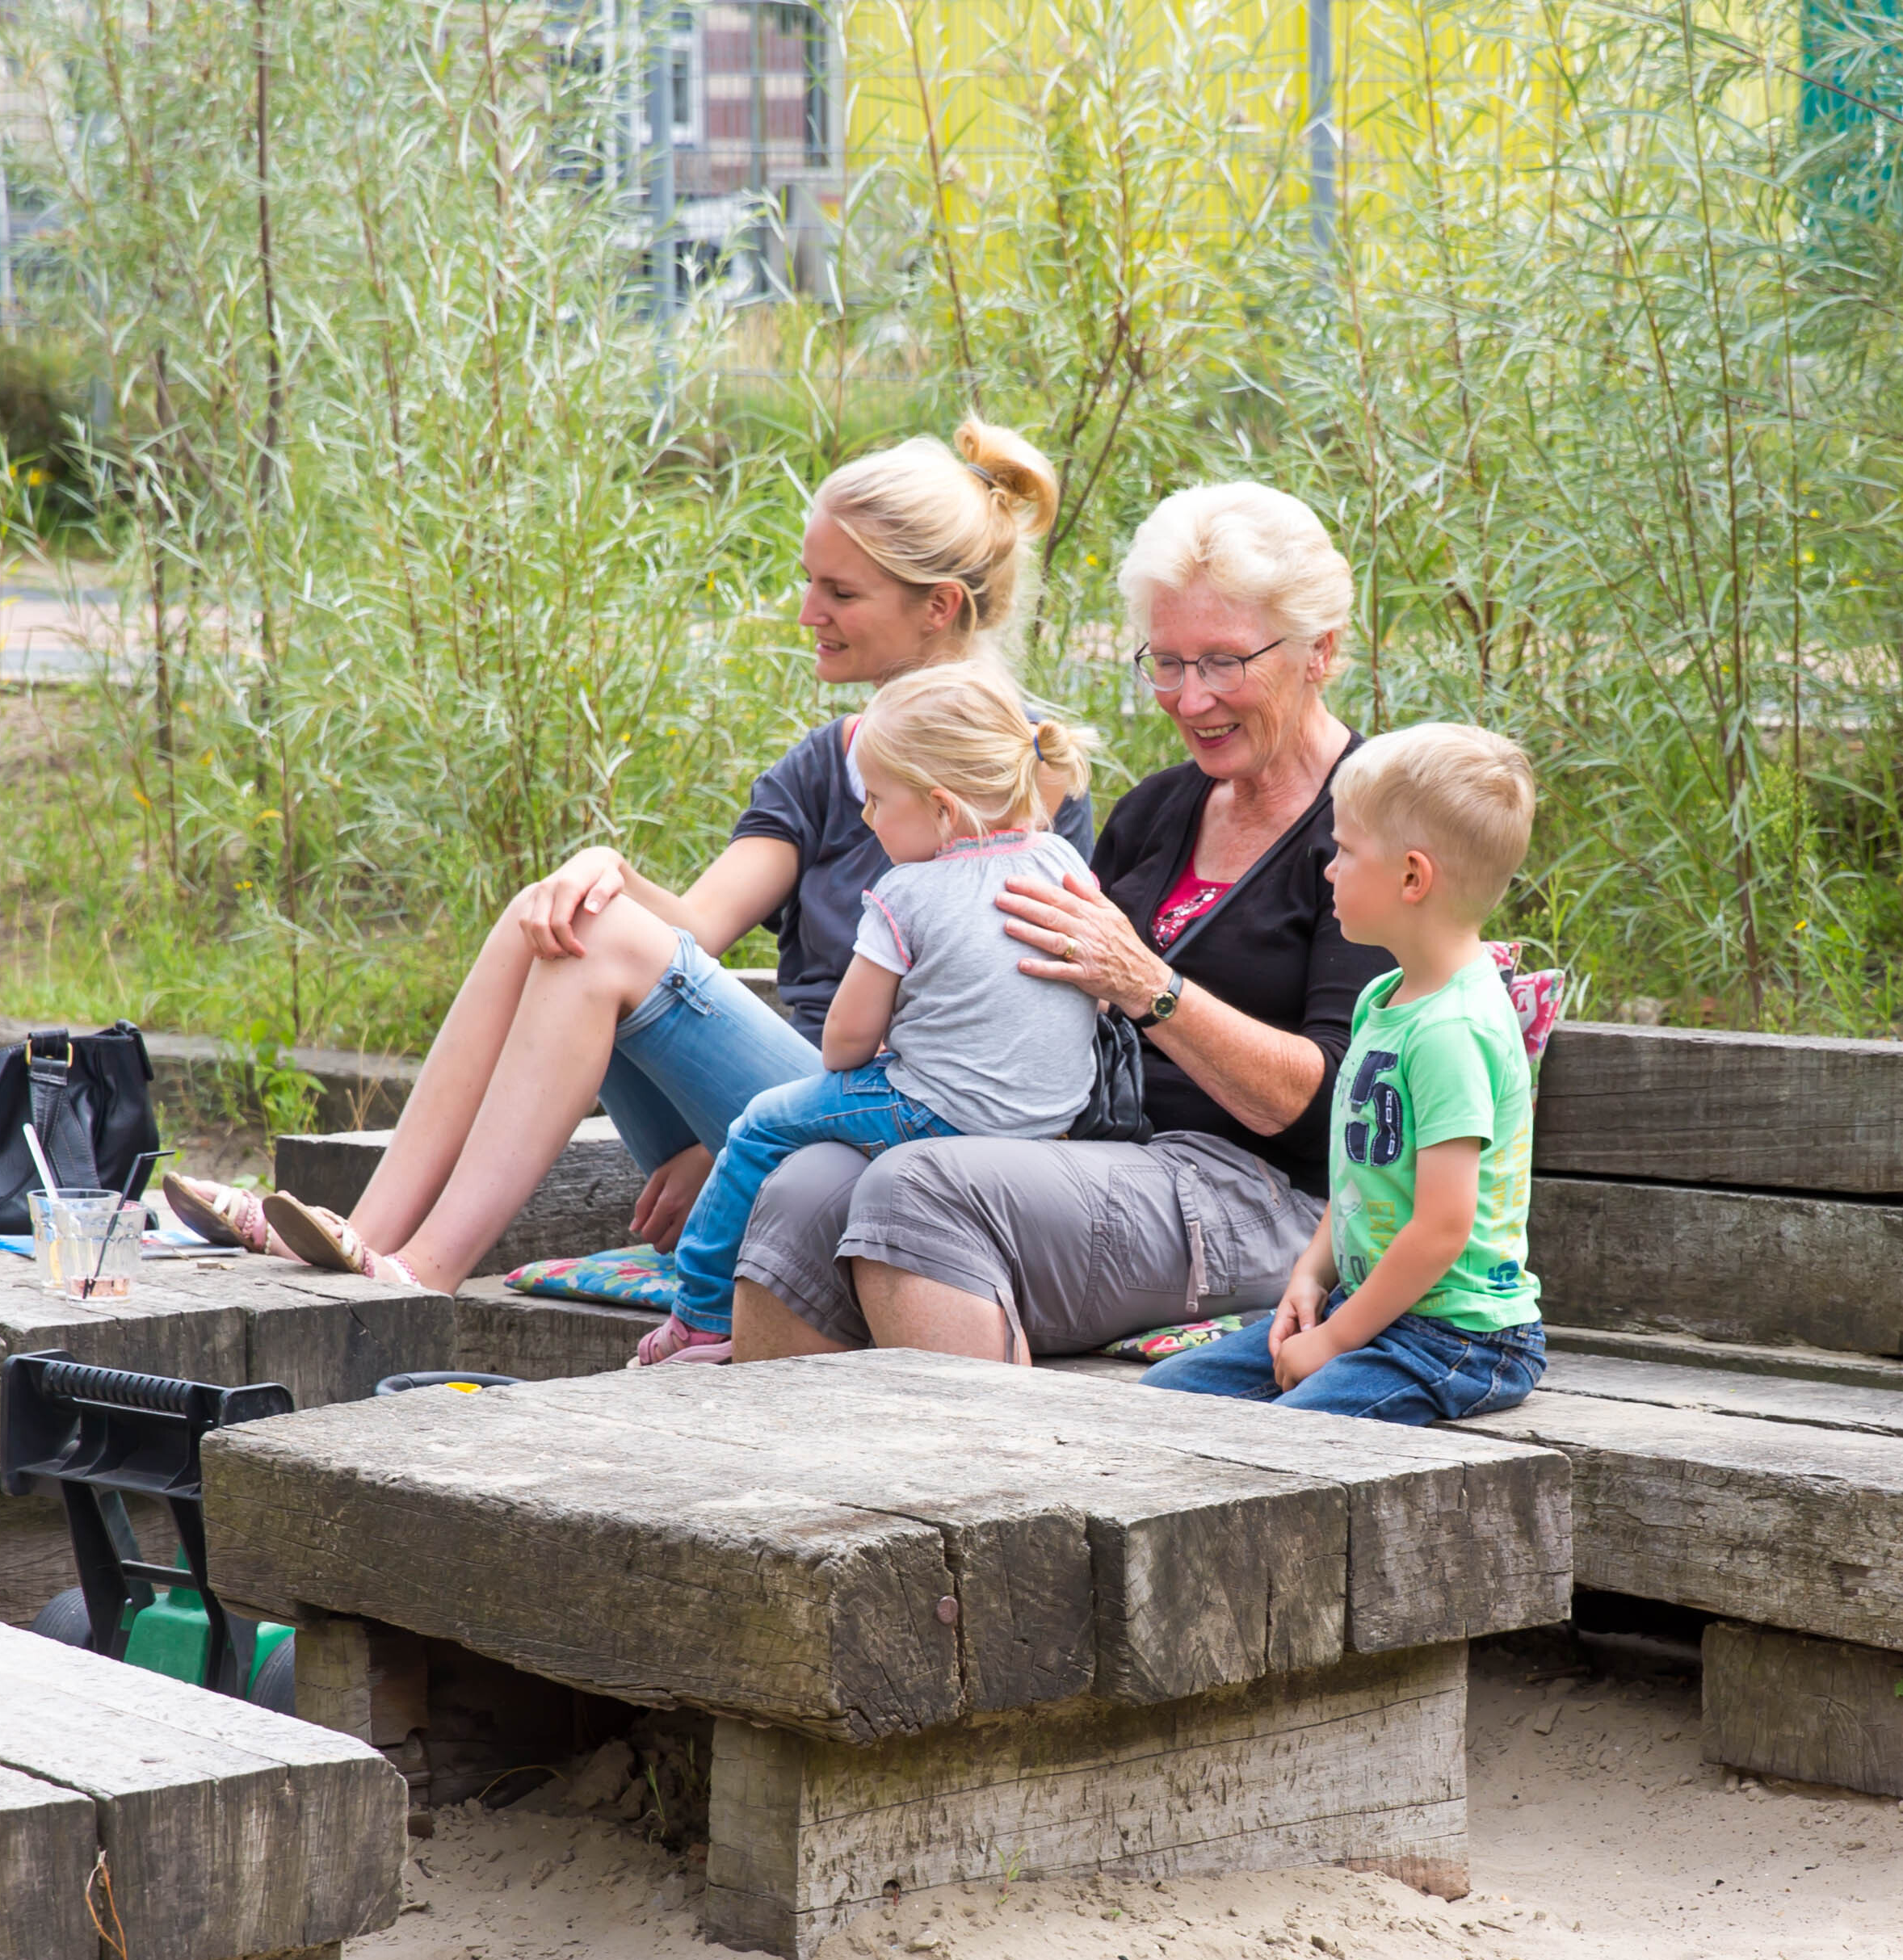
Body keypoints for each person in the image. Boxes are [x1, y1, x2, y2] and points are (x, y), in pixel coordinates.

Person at [156, 418, 1094, 1286]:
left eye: (841, 591)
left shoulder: (1023, 769)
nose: (806, 610)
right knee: (557, 914)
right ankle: (365, 1228)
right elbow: (698, 929)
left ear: (937, 607)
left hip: (895, 1132)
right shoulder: (828, 761)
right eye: (809, 579)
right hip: (783, 1104)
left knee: (596, 938)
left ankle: (426, 1269)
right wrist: (604, 866)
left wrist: (751, 1131)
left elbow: (1010, 1033)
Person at [727, 481, 1391, 1364]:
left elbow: (1336, 1106)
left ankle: (993, 1488)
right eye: (1166, 662)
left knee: (915, 1189)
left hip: (1264, 1200)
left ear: (1320, 652)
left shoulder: (1371, 831)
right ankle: (796, 1492)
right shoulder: (1157, 812)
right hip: (1088, 1160)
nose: (1189, 700)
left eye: (1224, 662)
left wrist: (1149, 987)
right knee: (804, 1186)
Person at [633, 661, 1100, 1363]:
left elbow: (843, 1045)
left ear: (942, 808)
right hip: (1049, 1117)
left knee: (758, 1127)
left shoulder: (905, 892)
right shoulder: (1061, 859)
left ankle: (699, 1313)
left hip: (942, 1111)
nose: (864, 816)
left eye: (877, 798)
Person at [1140, 724, 1547, 1421]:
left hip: (1459, 1339)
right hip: (1367, 1309)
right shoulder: (1380, 1000)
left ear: (1412, 877)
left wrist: (1330, 1341)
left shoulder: (1453, 1030)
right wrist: (1309, 1277)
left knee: (1293, 1436)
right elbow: (1359, 1174)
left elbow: (1442, 1227)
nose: (1328, 868)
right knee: (1165, 1398)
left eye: (1345, 852)